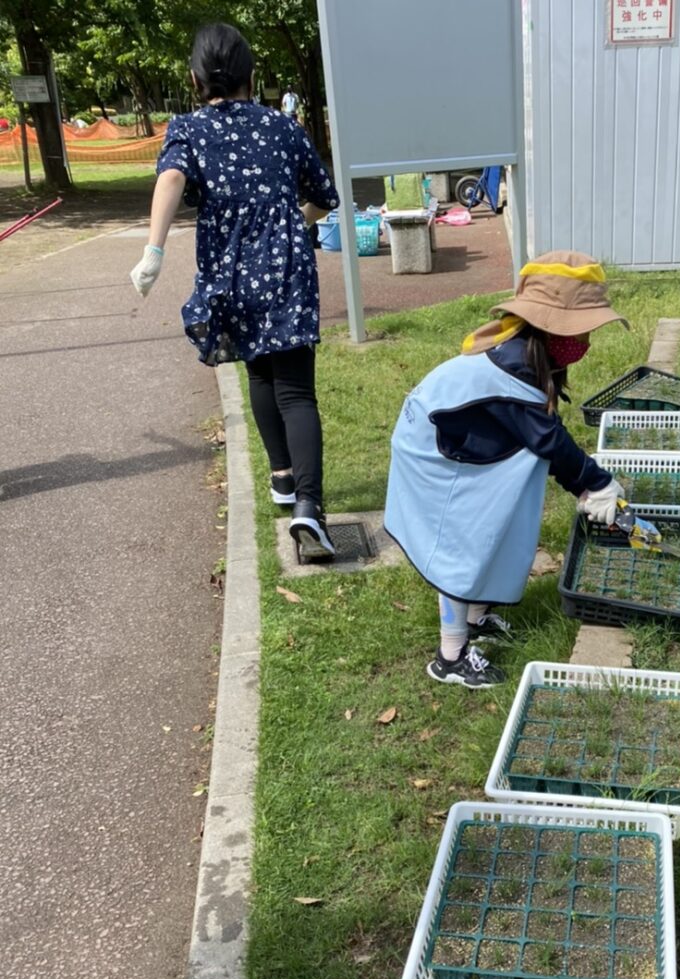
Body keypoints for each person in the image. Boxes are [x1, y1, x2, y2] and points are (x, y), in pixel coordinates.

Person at [128, 22, 340, 560]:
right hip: (286, 269)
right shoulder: (282, 127)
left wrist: (153, 252)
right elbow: (324, 196)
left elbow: (171, 179)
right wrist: (295, 220)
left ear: (196, 79)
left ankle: (283, 477)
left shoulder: (190, 130)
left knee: (259, 371)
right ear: (251, 75)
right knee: (296, 389)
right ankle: (310, 508)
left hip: (231, 273)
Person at [384, 251, 629, 688]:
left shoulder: (525, 353)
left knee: (498, 518)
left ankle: (477, 617)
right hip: (432, 454)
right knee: (463, 542)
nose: (586, 339)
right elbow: (550, 439)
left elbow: (543, 438)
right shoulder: (514, 368)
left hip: (456, 437)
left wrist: (587, 486)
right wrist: (596, 484)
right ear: (550, 326)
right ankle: (451, 655)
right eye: (581, 329)